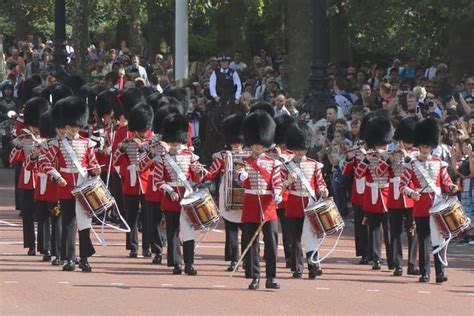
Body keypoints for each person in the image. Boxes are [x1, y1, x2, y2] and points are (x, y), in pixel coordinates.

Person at [39, 96, 101, 272]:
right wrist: (56, 176)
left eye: (75, 125)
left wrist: (96, 170)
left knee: (84, 224)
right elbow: (44, 163)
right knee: (68, 224)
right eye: (70, 125)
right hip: (66, 187)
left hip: (83, 187)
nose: (72, 128)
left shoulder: (87, 143)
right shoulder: (57, 144)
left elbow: (93, 163)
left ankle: (84, 259)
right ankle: (70, 258)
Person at [400, 118, 458, 283]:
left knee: (439, 240)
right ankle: (424, 272)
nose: (425, 147)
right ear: (419, 145)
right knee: (424, 239)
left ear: (432, 145)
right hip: (421, 206)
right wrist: (412, 193)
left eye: (427, 145)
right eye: (423, 145)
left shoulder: (439, 163)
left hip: (437, 204)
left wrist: (452, 186)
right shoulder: (411, 165)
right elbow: (403, 186)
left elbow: (446, 181)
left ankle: (440, 272)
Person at [154, 113, 207, 275]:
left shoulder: (190, 156)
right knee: (173, 231)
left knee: (188, 231)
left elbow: (197, 177)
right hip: (171, 198)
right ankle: (177, 262)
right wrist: (169, 191)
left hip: (187, 197)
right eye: (172, 141)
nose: (175, 144)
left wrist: (199, 172)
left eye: (177, 141)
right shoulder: (162, 159)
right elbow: (158, 181)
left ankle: (189, 263)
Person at [235, 110, 282, 290]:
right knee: (251, 242)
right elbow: (239, 178)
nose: (257, 147)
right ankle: (255, 277)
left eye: (260, 144)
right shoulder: (243, 161)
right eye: (255, 144)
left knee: (271, 243)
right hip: (251, 202)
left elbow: (277, 181)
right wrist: (242, 175)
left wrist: (277, 192)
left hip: (269, 204)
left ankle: (271, 277)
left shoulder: (273, 162)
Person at [284, 121, 328, 279]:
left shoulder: (314, 165)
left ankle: (313, 266)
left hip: (309, 203)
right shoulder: (286, 166)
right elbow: (282, 187)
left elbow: (320, 182)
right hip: (294, 204)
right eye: (297, 148)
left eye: (302, 148)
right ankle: (297, 267)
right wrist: (288, 182)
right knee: (295, 238)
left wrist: (323, 190)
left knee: (312, 236)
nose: (300, 151)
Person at [205, 114, 247, 271]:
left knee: (246, 229)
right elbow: (211, 173)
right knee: (231, 230)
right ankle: (234, 259)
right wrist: (199, 172)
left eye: (239, 142)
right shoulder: (223, 155)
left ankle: (246, 258)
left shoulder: (249, 156)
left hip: (245, 196)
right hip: (227, 195)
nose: (236, 145)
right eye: (234, 142)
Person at [113, 103, 153, 258]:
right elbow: (115, 160)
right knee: (131, 216)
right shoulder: (126, 136)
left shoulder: (150, 137)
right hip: (130, 181)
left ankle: (147, 246)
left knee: (147, 216)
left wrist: (142, 146)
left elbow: (154, 159)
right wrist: (122, 147)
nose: (142, 132)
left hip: (146, 181)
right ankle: (133, 247)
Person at [10, 97, 49, 256]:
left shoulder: (47, 139)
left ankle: (44, 244)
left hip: (42, 179)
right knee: (27, 213)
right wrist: (18, 146)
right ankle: (30, 244)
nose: (34, 129)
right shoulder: (25, 138)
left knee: (42, 214)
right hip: (26, 180)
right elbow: (13, 159)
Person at [354, 114, 394, 270]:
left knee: (388, 228)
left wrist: (388, 160)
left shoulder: (390, 155)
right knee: (374, 228)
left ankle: (392, 259)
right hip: (372, 194)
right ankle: (376, 258)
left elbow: (388, 173)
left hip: (387, 192)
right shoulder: (368, 156)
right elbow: (358, 174)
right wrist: (365, 159)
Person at [386, 118, 419, 276]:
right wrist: (387, 160)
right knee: (396, 232)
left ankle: (412, 263)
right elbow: (380, 173)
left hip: (411, 194)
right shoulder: (391, 154)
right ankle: (398, 264)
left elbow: (417, 171)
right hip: (395, 195)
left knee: (412, 231)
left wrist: (407, 156)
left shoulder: (417, 154)